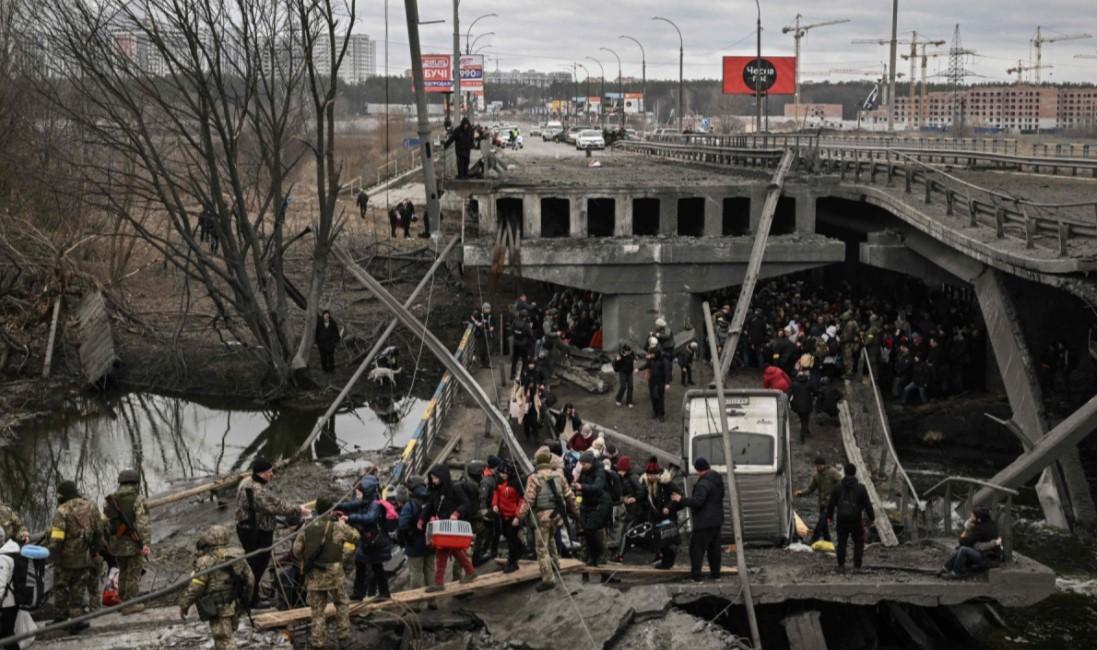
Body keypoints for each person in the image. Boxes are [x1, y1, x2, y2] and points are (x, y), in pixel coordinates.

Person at [235, 458, 308, 607]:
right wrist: (298, 509)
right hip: (255, 532)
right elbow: (275, 505)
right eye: (270, 472)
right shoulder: (256, 490)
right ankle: (251, 600)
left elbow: (264, 507)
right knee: (257, 565)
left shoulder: (247, 481)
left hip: (248, 526)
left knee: (253, 563)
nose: (272, 474)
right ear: (262, 473)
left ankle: (253, 594)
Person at [292, 497, 358, 650]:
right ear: (332, 510)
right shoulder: (338, 527)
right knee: (341, 604)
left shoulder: (306, 528)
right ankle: (344, 637)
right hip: (335, 575)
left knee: (317, 610)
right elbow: (356, 537)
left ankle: (318, 642)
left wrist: (307, 559)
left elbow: (296, 552)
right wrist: (344, 555)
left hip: (315, 576)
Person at [179, 525, 255, 650]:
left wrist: (184, 604)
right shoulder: (238, 556)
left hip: (218, 607)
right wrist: (246, 601)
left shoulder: (205, 561)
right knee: (227, 637)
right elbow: (250, 580)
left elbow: (196, 587)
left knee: (224, 641)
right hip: (235, 604)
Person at [520, 450, 579, 592]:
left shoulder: (534, 478)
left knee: (541, 548)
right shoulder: (559, 476)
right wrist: (576, 512)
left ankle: (548, 579)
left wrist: (520, 516)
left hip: (542, 517)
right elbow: (569, 495)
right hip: (557, 516)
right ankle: (556, 565)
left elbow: (529, 499)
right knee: (552, 539)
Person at [47, 480, 102, 632]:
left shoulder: (62, 511)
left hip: (65, 559)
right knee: (78, 589)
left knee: (61, 588)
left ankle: (61, 620)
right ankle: (77, 622)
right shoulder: (91, 506)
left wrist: (53, 558)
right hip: (84, 556)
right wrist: (95, 551)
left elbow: (57, 537)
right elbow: (99, 531)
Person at [419, 465, 477, 592]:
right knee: (453, 550)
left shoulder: (455, 488)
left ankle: (440, 582)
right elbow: (430, 507)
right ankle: (470, 571)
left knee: (443, 551)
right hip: (443, 526)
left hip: (452, 526)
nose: (433, 481)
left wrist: (457, 513)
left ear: (442, 477)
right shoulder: (435, 490)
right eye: (432, 478)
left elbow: (465, 503)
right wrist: (422, 519)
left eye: (435, 478)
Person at [103, 468, 151, 614]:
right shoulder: (138, 499)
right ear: (136, 483)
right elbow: (143, 524)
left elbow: (105, 523)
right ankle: (130, 604)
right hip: (132, 544)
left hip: (116, 543)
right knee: (133, 573)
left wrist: (109, 542)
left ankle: (122, 601)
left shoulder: (111, 501)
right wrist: (146, 543)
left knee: (123, 570)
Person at [337, 475, 393, 600]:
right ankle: (358, 593)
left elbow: (369, 518)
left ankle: (385, 593)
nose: (357, 495)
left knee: (377, 568)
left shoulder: (375, 505)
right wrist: (338, 506)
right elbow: (350, 505)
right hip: (366, 541)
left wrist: (350, 518)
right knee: (360, 564)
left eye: (359, 493)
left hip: (375, 542)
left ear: (366, 493)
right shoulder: (364, 502)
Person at [671, 458, 725, 582]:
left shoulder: (703, 484)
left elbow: (697, 501)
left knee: (696, 549)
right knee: (714, 549)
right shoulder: (717, 479)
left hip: (704, 522)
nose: (696, 473)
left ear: (699, 469)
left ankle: (696, 577)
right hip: (717, 520)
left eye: (697, 471)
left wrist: (681, 499)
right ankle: (715, 574)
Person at [825, 464, 875, 570]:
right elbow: (867, 504)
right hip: (856, 519)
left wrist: (830, 517)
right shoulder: (861, 488)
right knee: (858, 542)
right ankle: (857, 566)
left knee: (841, 542)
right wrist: (872, 518)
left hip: (841, 519)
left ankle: (841, 565)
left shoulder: (838, 486)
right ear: (855, 473)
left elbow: (831, 503)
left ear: (845, 472)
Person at [574, 451, 612, 580]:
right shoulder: (584, 472)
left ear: (590, 463)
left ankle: (600, 561)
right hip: (586, 506)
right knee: (586, 534)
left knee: (594, 532)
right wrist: (578, 502)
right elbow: (580, 490)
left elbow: (597, 487)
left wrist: (582, 486)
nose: (581, 466)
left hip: (599, 506)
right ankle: (590, 564)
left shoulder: (599, 472)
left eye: (583, 464)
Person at [639, 459, 681, 569]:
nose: (651, 477)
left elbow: (678, 495)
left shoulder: (666, 483)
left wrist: (668, 506)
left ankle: (668, 562)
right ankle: (666, 561)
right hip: (656, 516)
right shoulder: (647, 484)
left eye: (653, 475)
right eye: (649, 475)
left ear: (657, 474)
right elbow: (644, 497)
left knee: (667, 540)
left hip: (667, 516)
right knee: (660, 540)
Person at [941, 507, 1003, 579]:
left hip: (989, 559)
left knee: (963, 549)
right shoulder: (990, 524)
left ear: (978, 518)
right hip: (989, 556)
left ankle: (956, 573)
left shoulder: (980, 529)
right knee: (962, 548)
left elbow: (963, 542)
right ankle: (945, 568)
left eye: (972, 516)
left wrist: (967, 529)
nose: (970, 518)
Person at [794, 458, 843, 543]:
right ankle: (828, 541)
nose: (817, 467)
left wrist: (837, 495)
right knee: (824, 524)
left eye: (819, 466)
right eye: (816, 466)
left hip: (830, 503)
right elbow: (810, 489)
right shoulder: (817, 476)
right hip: (822, 503)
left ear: (823, 465)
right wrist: (800, 493)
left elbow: (842, 483)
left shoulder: (833, 472)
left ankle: (814, 540)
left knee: (821, 521)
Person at [491, 462, 526, 573]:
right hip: (502, 515)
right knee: (507, 536)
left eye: (505, 473)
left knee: (511, 539)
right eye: (501, 473)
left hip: (512, 516)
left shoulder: (516, 482)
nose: (502, 475)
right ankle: (519, 549)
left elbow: (522, 500)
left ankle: (513, 562)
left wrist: (517, 516)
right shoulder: (499, 480)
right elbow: (496, 493)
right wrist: (494, 504)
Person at [611, 456, 644, 561]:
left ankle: (620, 555)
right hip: (630, 508)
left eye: (620, 469)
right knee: (627, 531)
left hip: (634, 509)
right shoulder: (624, 477)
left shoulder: (632, 477)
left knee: (626, 532)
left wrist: (634, 498)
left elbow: (641, 491)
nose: (619, 472)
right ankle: (620, 555)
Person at [0, 526, 20, 647]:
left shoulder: (2, 558)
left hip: (6, 603)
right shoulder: (11, 551)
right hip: (11, 600)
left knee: (7, 635)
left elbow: (0, 584)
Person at [639, 338, 668, 421]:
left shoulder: (662, 360)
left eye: (652, 354)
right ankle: (655, 412)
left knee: (660, 397)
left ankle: (661, 414)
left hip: (660, 380)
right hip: (652, 380)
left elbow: (667, 371)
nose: (650, 355)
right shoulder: (651, 358)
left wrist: (667, 383)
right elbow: (647, 365)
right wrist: (639, 369)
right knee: (653, 396)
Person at [789, 371, 815, 443]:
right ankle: (802, 436)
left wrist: (790, 402)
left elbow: (790, 394)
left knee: (802, 419)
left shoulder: (794, 384)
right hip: (807, 405)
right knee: (805, 420)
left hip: (797, 406)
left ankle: (806, 431)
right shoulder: (809, 383)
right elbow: (815, 391)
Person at [470, 304, 495, 369]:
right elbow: (472, 318)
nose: (488, 310)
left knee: (488, 349)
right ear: (483, 309)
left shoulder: (491, 316)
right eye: (486, 308)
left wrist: (492, 327)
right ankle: (482, 363)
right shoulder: (480, 315)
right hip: (481, 334)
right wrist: (479, 323)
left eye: (489, 308)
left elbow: (493, 323)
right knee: (481, 348)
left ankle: (487, 363)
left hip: (488, 333)